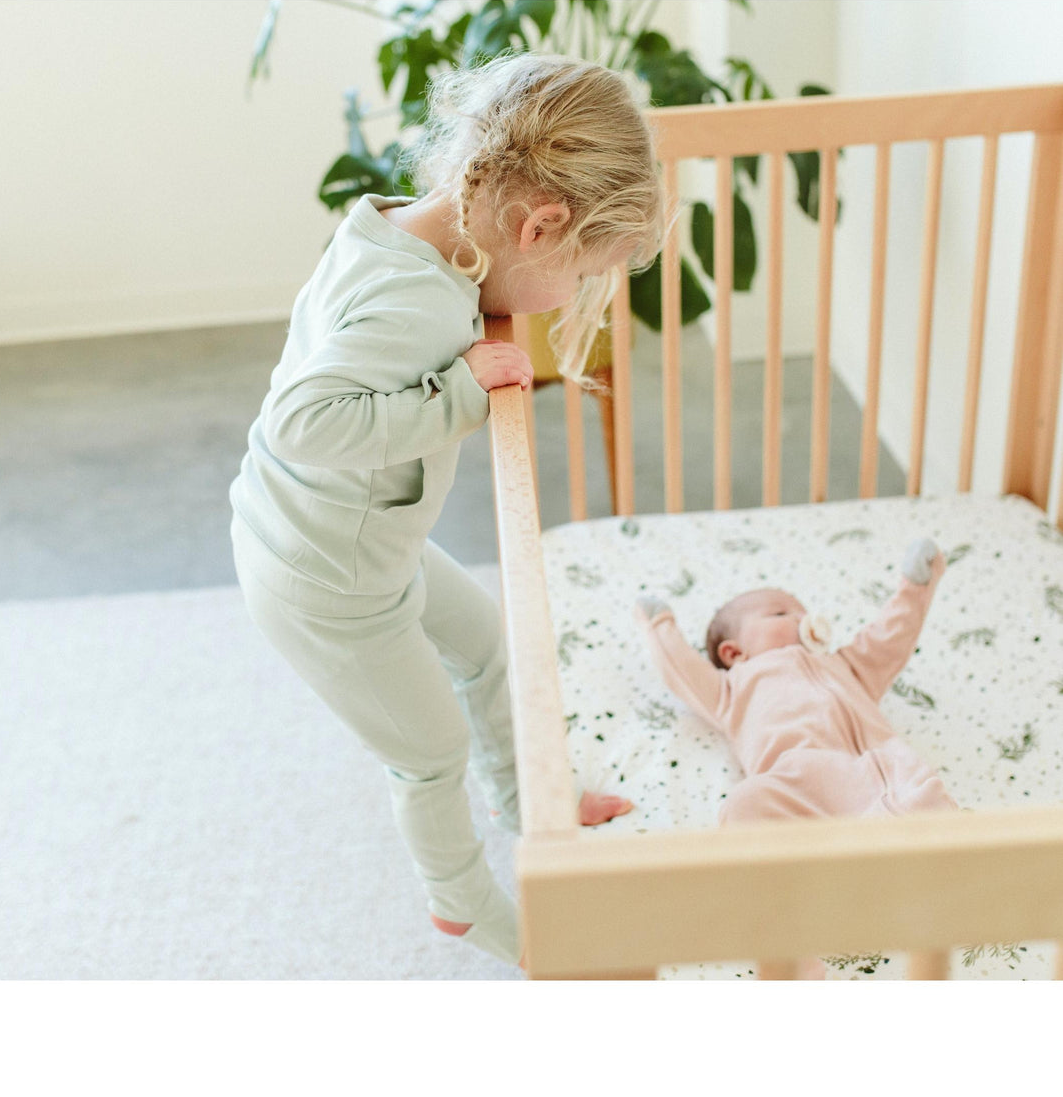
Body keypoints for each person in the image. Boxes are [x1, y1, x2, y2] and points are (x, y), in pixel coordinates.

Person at [231, 53, 664, 969]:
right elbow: (301, 421)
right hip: (329, 581)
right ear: (540, 227)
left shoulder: (401, 230)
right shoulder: (419, 305)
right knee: (428, 752)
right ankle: (459, 901)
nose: (571, 299)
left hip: (347, 537)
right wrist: (459, 394)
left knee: (488, 646)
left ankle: (528, 802)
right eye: (583, 273)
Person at [633, 537, 959, 826]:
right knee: (745, 804)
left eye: (804, 612)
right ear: (734, 652)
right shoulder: (731, 689)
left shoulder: (847, 665)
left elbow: (888, 639)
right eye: (780, 614)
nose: (803, 619)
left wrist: (914, 589)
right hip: (800, 784)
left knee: (931, 798)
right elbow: (681, 667)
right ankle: (792, 870)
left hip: (888, 772)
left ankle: (951, 854)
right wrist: (659, 624)